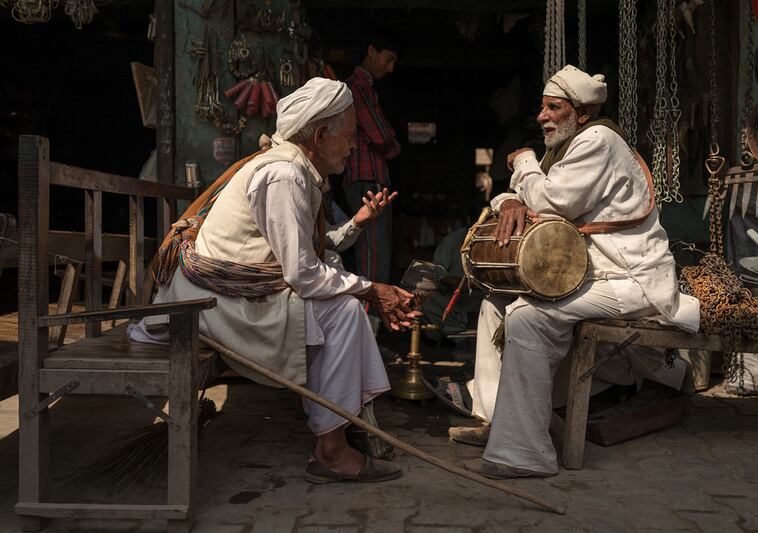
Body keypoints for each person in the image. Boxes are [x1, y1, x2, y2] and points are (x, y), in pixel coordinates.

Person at [138, 78, 418, 483]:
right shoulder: (284, 175)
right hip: (211, 306)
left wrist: (363, 270)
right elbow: (303, 274)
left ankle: (334, 427)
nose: (354, 146)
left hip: (231, 298)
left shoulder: (295, 170)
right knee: (343, 312)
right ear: (320, 135)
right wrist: (372, 289)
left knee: (344, 309)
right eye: (349, 135)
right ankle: (332, 448)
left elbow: (306, 256)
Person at [449, 65, 701, 479]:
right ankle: (500, 425)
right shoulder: (567, 147)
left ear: (581, 113)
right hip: (591, 276)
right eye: (542, 108)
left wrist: (524, 162)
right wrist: (510, 199)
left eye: (554, 108)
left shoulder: (598, 141)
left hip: (627, 278)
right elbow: (530, 195)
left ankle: (526, 454)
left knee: (528, 318)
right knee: (495, 305)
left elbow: (551, 200)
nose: (542, 116)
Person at [342, 35, 402, 283]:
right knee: (373, 254)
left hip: (364, 179)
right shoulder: (358, 86)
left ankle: (370, 313)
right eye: (388, 60)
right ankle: (371, 314)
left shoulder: (362, 87)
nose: (391, 68)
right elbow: (382, 138)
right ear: (371, 50)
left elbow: (380, 138)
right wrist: (390, 142)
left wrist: (387, 139)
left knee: (371, 251)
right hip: (368, 179)